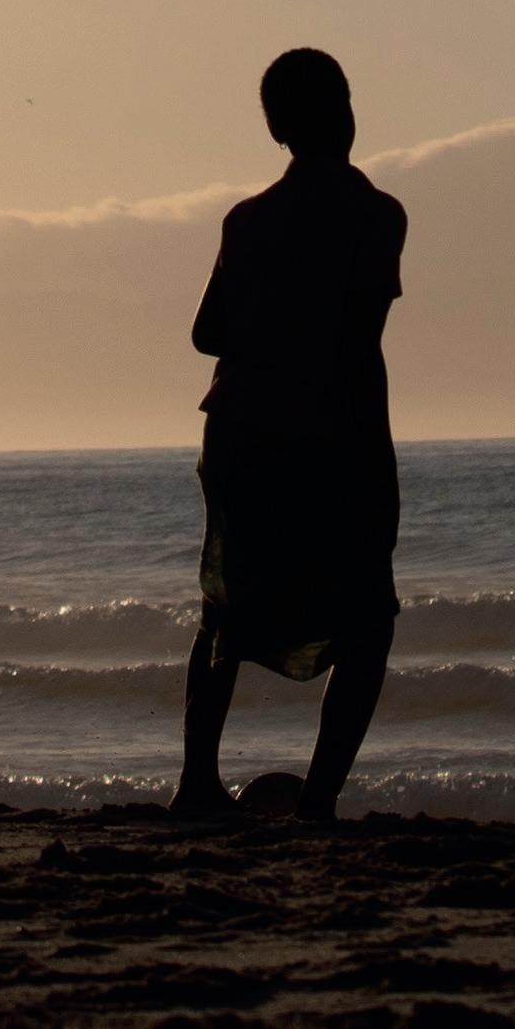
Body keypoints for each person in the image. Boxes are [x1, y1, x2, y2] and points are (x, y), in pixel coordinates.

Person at [174, 49, 407, 828]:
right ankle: (317, 802)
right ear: (345, 112)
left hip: (241, 432)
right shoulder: (377, 215)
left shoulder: (248, 220)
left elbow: (208, 333)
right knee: (367, 617)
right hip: (330, 432)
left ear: (276, 128)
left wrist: (267, 322)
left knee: (226, 612)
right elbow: (358, 340)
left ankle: (196, 784)